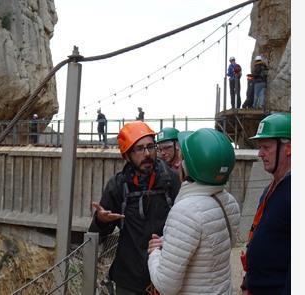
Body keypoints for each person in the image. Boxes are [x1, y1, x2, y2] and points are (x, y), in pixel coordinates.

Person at [89, 121, 181, 294]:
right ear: (127, 155)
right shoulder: (117, 186)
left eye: (150, 147)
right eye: (139, 149)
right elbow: (96, 235)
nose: (147, 153)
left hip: (166, 274)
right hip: (130, 279)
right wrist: (101, 221)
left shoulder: (171, 180)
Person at [148, 128, 241, 294]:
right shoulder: (229, 202)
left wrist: (155, 253)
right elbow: (213, 246)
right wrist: (170, 242)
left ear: (188, 167)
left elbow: (166, 285)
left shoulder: (185, 212)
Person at [240, 113, 291, 294]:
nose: (260, 153)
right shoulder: (270, 189)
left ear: (288, 148)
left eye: (266, 147)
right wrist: (248, 282)